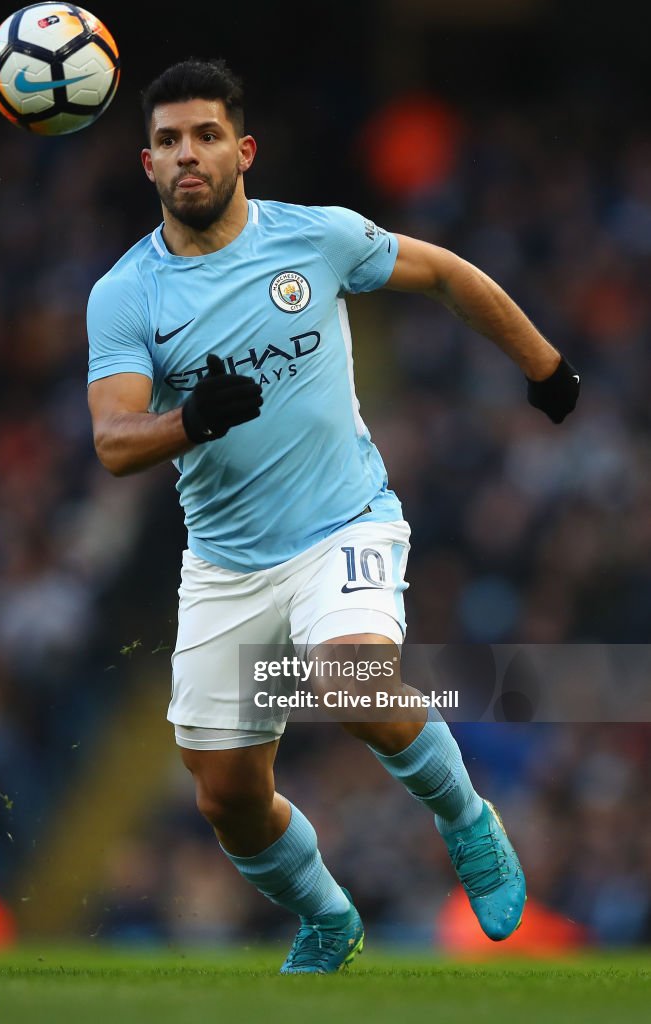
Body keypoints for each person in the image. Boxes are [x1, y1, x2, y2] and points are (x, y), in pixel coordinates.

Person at [86, 58, 579, 973]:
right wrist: (188, 419)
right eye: (166, 141)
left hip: (342, 523)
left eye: (202, 136)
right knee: (226, 798)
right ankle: (326, 917)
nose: (185, 155)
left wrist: (545, 367)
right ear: (145, 164)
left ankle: (468, 824)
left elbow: (443, 274)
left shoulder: (316, 239)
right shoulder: (126, 294)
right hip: (227, 563)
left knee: (349, 680)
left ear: (244, 150)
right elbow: (114, 441)